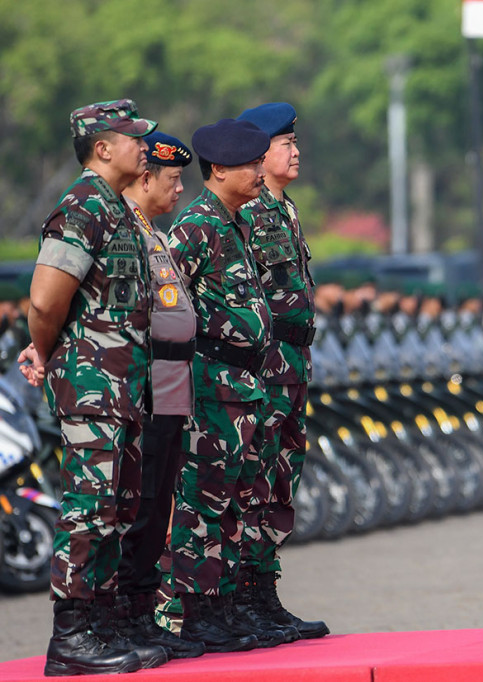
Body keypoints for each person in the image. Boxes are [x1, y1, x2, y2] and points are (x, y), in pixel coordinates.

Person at [21, 99, 163, 676]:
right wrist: (51, 350)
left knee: (116, 505)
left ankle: (102, 625)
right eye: (134, 139)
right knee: (89, 507)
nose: (145, 148)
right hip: (91, 383)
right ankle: (72, 636)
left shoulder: (117, 208)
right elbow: (45, 299)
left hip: (121, 385)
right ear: (103, 148)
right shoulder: (82, 207)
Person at [165, 118, 278, 652]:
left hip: (243, 384)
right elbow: (165, 307)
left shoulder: (235, 222)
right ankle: (193, 612)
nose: (260, 172)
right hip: (211, 384)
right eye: (250, 165)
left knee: (235, 499)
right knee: (202, 499)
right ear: (218, 170)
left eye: (260, 161)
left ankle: (222, 605)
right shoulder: (195, 227)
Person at [234, 102, 328, 639]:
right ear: (258, 152)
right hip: (261, 366)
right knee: (251, 478)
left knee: (281, 479)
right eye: (286, 144)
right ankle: (242, 599)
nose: (296, 152)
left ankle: (265, 594)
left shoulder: (284, 209)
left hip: (293, 363)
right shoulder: (244, 213)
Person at [117, 131, 206, 659]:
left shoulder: (152, 230)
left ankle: (145, 614)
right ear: (145, 177)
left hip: (172, 389)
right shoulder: (123, 229)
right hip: (142, 390)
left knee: (158, 505)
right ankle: (124, 617)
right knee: (138, 505)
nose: (179, 191)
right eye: (173, 180)